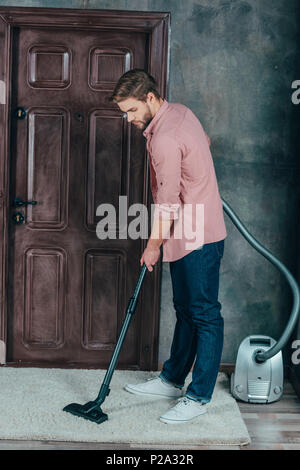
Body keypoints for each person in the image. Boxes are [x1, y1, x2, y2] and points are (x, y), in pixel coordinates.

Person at [109, 69, 227, 424]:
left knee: (204, 314)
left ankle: (199, 395)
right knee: (186, 309)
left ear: (148, 97)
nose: (128, 119)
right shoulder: (180, 112)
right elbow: (202, 142)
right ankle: (173, 379)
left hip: (198, 234)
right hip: (187, 229)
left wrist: (152, 246)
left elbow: (167, 202)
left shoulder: (164, 137)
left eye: (130, 110)